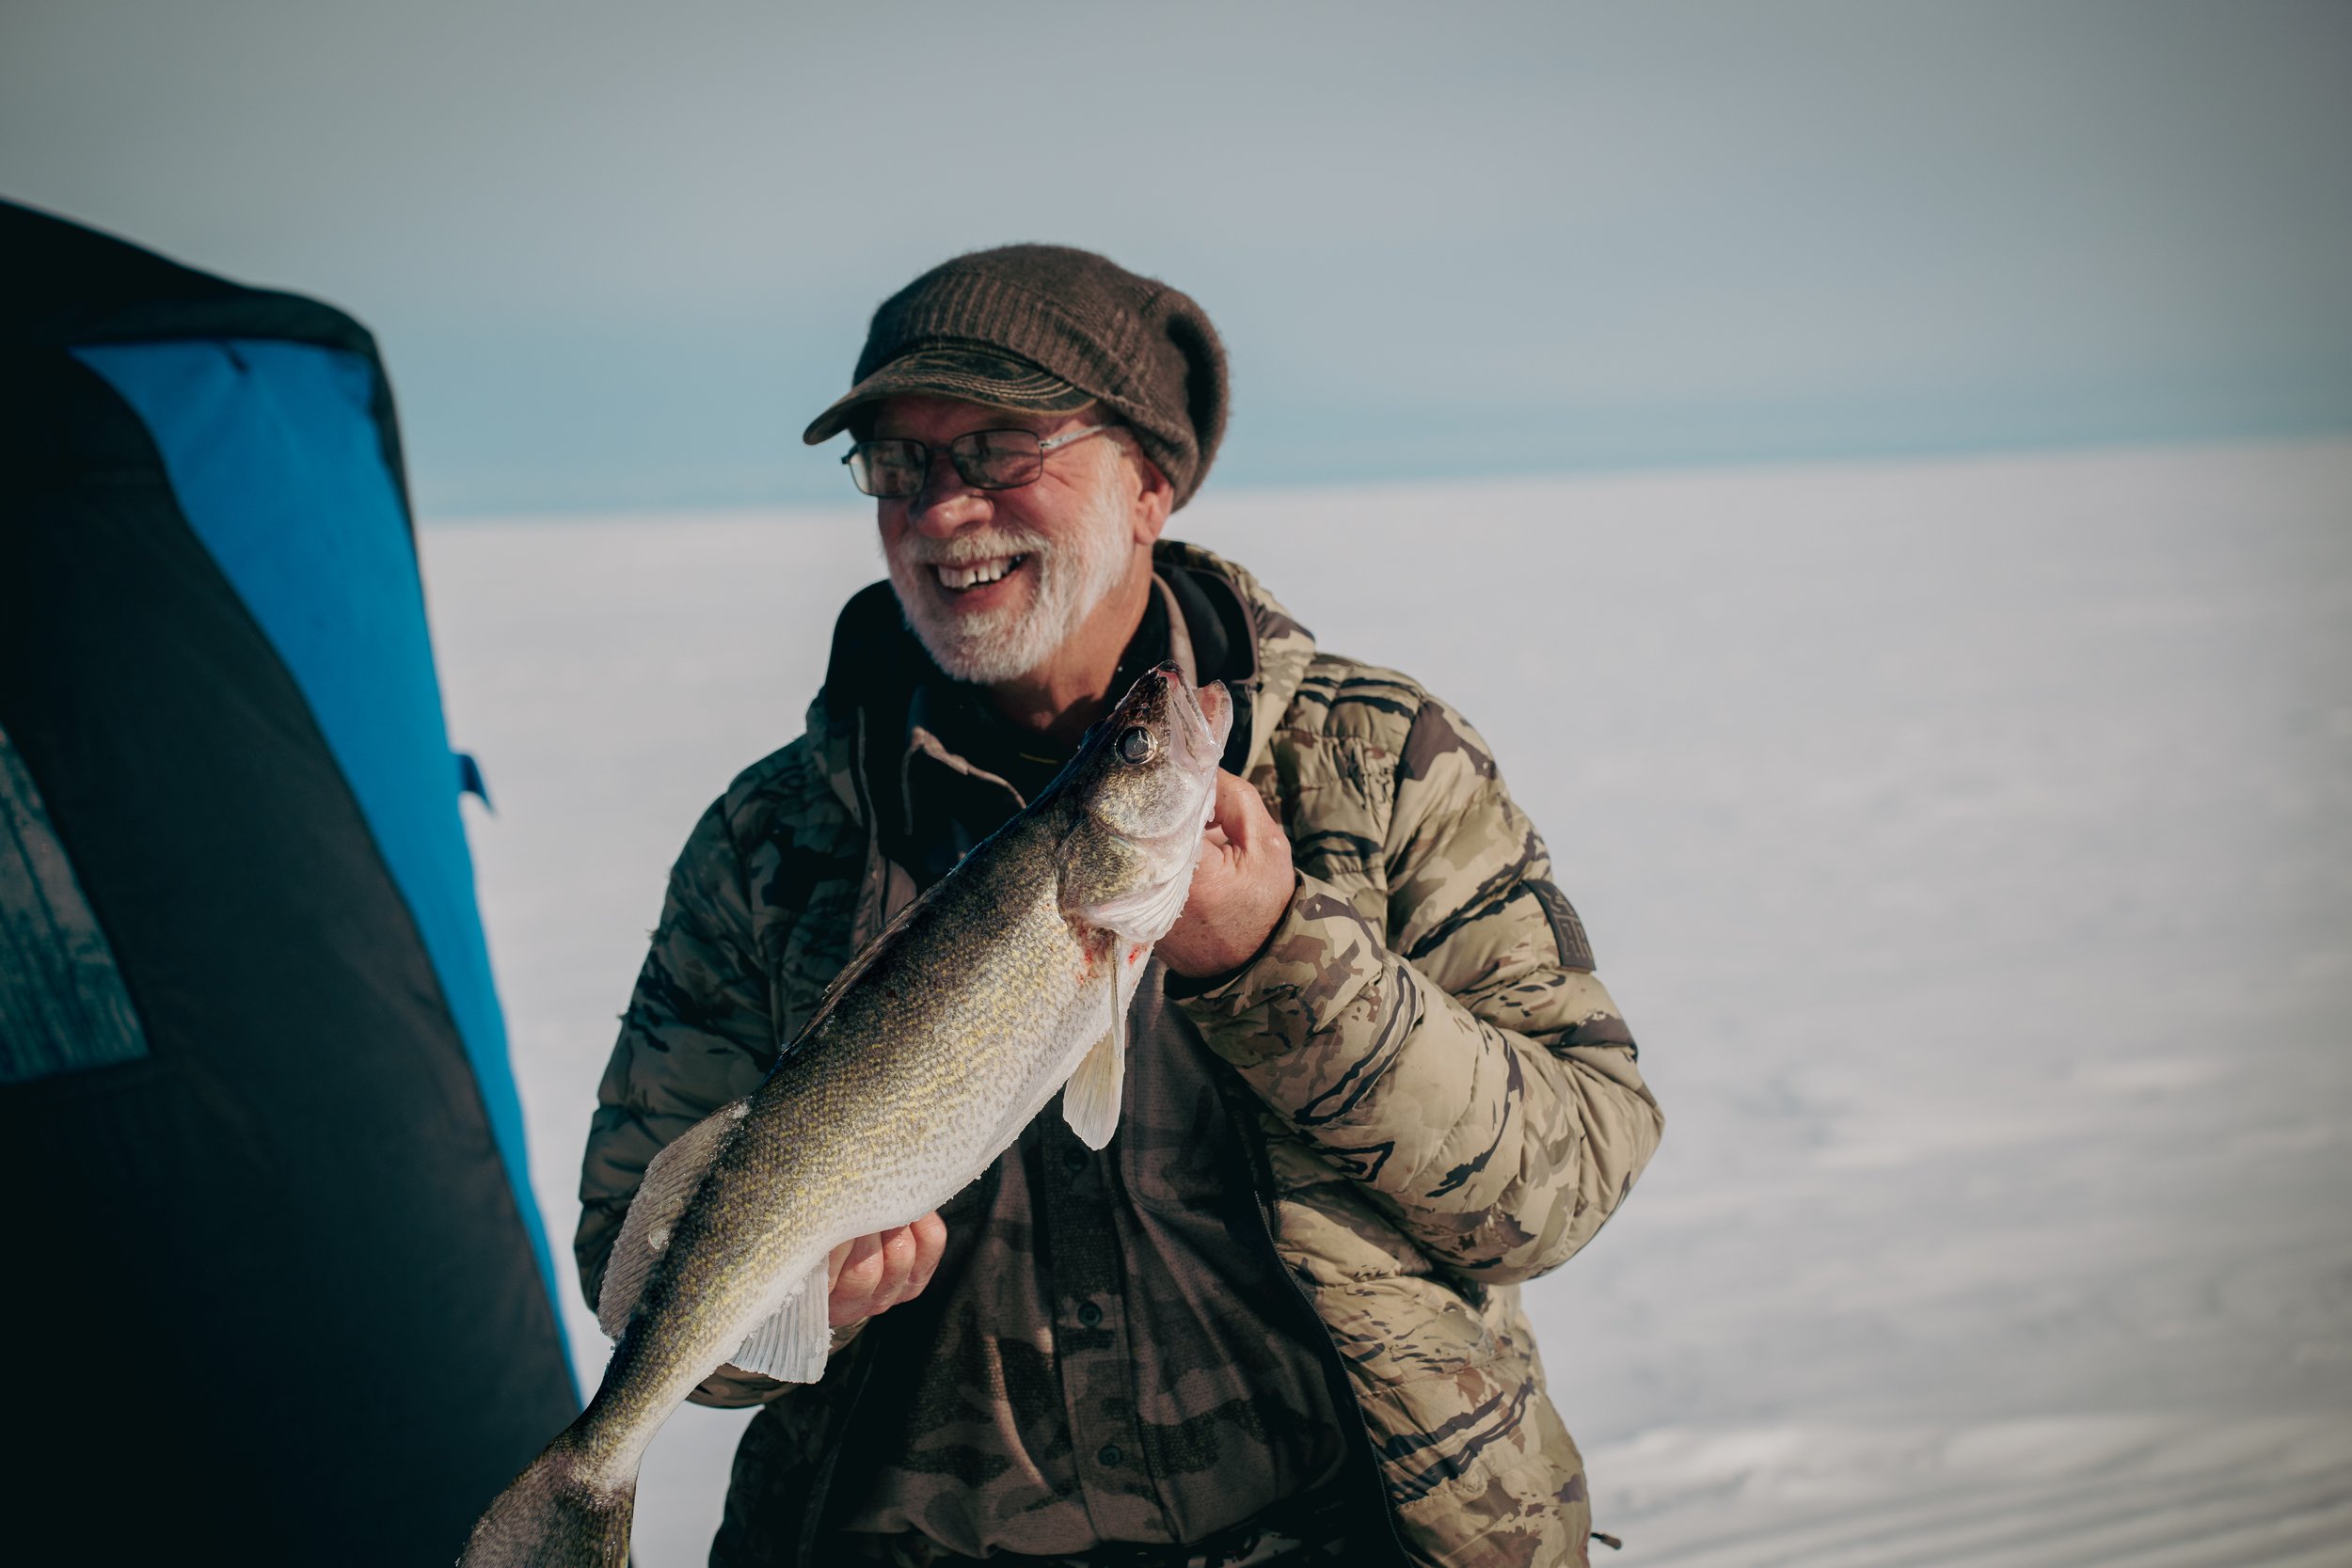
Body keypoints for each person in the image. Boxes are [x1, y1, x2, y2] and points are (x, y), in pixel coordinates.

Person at [576, 245, 1664, 1568]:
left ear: (1149, 481)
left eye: (996, 450)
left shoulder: (1375, 763)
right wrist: (801, 1316)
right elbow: (639, 1263)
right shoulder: (775, 840)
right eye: (899, 466)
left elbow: (1568, 1176)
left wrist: (1282, 960)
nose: (940, 513)